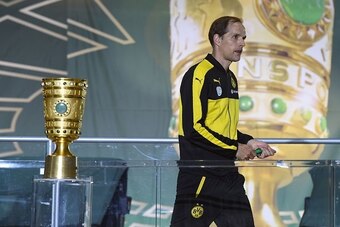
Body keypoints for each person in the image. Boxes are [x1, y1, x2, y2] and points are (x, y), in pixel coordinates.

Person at [170, 16, 276, 227]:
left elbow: (222, 128)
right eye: (235, 37)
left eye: (243, 38)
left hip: (228, 177)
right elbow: (194, 129)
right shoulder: (198, 74)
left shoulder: (231, 78)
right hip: (200, 176)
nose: (242, 43)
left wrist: (250, 141)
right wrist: (234, 148)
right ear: (217, 39)